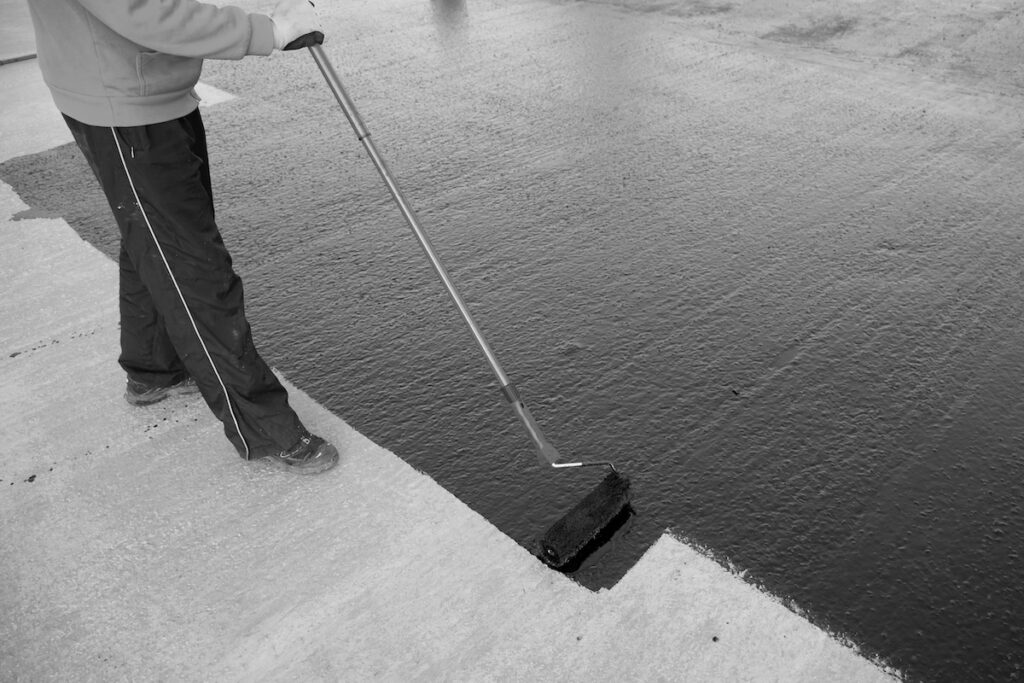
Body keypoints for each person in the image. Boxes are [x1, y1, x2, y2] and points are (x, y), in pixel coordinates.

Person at [26, 0, 339, 474]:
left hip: (147, 84)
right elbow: (143, 12)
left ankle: (154, 369)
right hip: (123, 102)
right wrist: (269, 31)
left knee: (156, 237)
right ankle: (265, 427)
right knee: (191, 265)